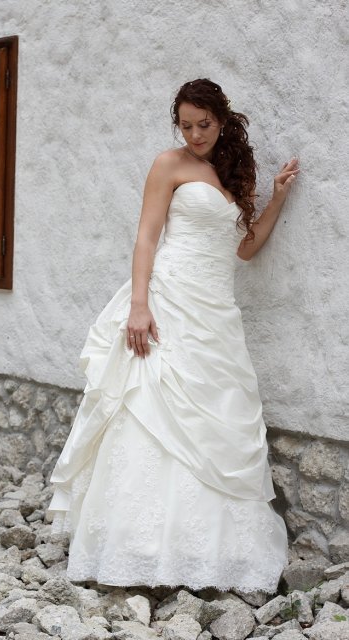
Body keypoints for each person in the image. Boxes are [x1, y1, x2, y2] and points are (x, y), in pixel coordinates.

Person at [47, 78, 299, 593]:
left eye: (204, 124)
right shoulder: (169, 164)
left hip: (215, 309)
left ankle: (210, 553)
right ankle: (136, 548)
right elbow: (146, 237)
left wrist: (275, 199)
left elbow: (244, 248)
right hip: (169, 299)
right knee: (151, 406)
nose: (195, 134)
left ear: (223, 121)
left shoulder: (234, 172)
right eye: (185, 125)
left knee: (218, 412)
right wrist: (139, 305)